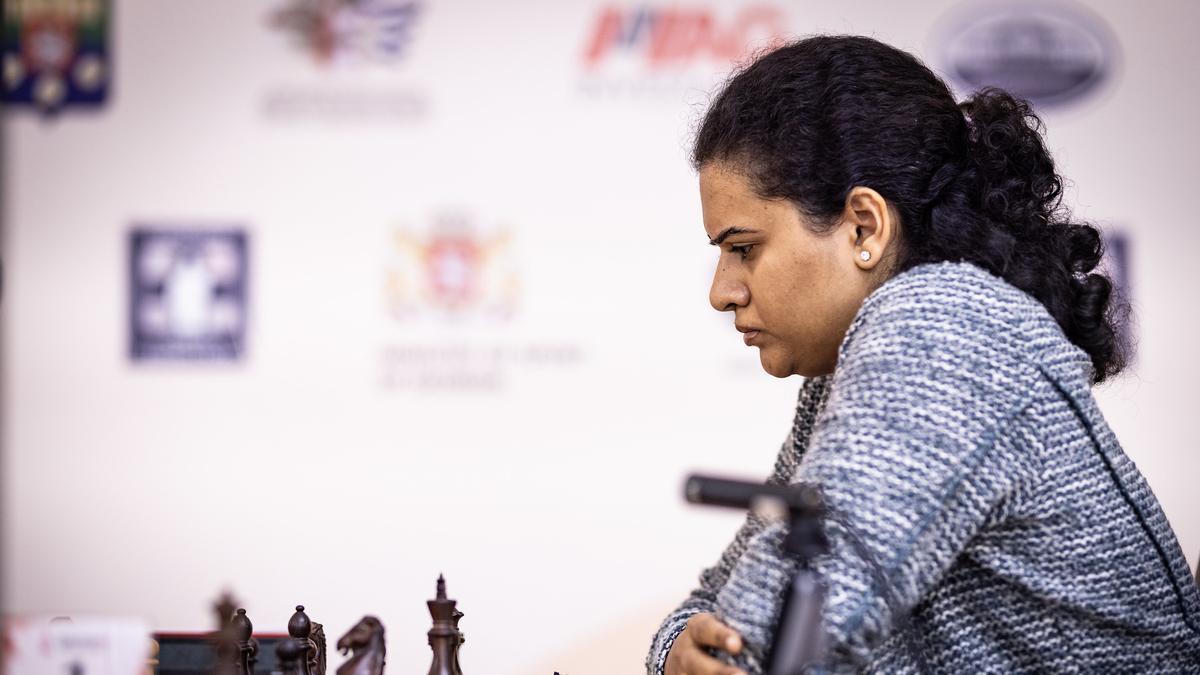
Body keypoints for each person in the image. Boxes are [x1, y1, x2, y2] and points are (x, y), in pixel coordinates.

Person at [646, 35, 1200, 674]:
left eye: (743, 248)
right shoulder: (853, 363)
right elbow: (719, 604)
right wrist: (675, 649)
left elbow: (771, 639)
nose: (721, 292)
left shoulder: (944, 331)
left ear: (864, 225)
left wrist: (702, 653)